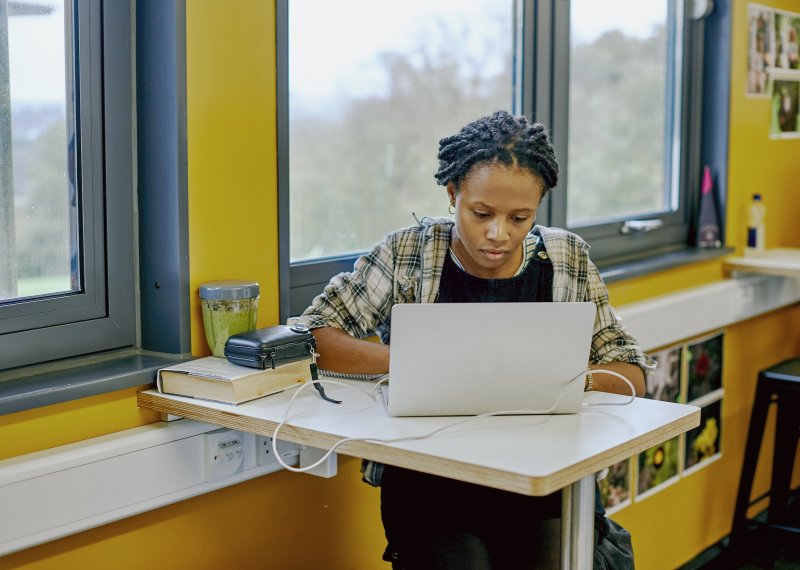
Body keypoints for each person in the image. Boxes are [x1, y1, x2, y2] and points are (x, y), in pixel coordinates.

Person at [290, 110, 655, 569]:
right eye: (481, 213)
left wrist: (571, 380)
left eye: (520, 217)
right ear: (452, 194)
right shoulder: (408, 253)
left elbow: (630, 372)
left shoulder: (566, 258)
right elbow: (314, 334)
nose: (498, 234)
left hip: (542, 476)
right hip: (430, 480)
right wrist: (415, 361)